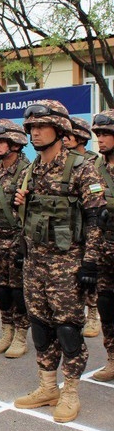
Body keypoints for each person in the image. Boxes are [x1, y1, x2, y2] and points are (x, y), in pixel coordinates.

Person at [13, 100, 105, 423]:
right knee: (40, 327)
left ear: (60, 128)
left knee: (68, 329)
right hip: (35, 263)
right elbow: (23, 217)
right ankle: (48, 385)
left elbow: (96, 217)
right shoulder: (30, 170)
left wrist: (90, 262)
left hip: (67, 264)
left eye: (41, 126)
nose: (35, 132)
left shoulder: (81, 168)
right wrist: (19, 204)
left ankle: (70, 390)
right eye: (31, 128)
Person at [0, 119, 31, 358]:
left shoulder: (29, 170)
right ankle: (6, 330)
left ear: (15, 143)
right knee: (2, 287)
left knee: (19, 288)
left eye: (1, 142)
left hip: (18, 238)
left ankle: (21, 334)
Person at [64, 117, 101, 338]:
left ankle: (93, 314)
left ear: (81, 138)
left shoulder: (92, 163)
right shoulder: (64, 162)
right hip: (72, 229)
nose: (65, 139)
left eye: (69, 135)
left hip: (92, 226)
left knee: (91, 274)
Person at [90, 109, 114, 382]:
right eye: (98, 134)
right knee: (107, 307)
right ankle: (112, 359)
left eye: (106, 134)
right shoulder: (95, 169)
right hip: (104, 250)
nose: (101, 139)